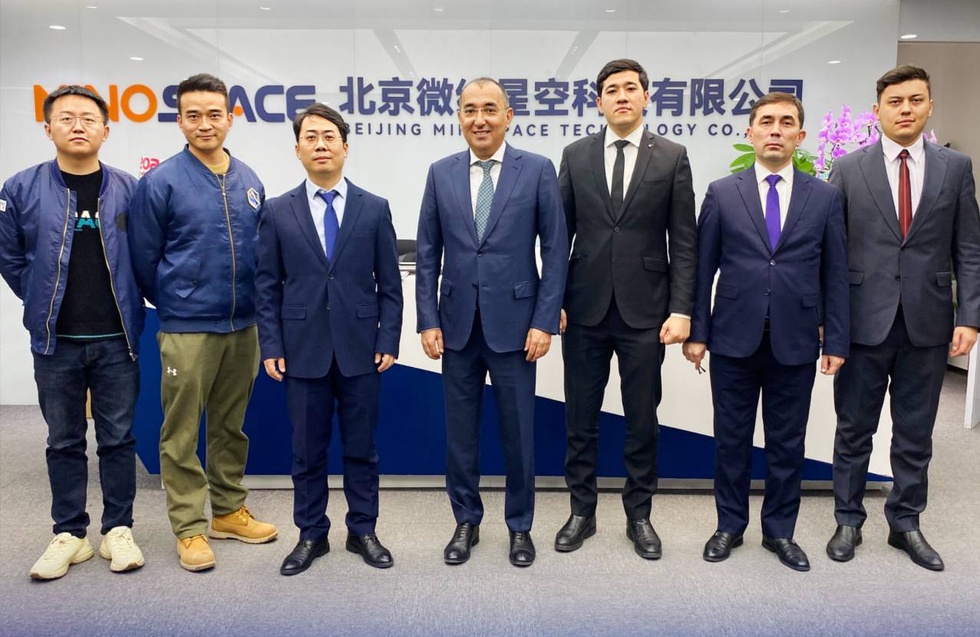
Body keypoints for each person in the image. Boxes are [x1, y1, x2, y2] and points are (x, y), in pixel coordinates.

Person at [683, 92, 849, 572]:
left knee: (787, 443)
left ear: (800, 136)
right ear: (750, 133)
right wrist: (698, 332)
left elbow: (836, 274)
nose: (776, 130)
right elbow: (702, 269)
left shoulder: (824, 197)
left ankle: (780, 531)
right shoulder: (722, 193)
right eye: (767, 122)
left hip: (796, 339)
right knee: (731, 439)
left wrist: (836, 340)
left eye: (786, 123)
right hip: (733, 337)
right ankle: (729, 525)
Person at [827, 65, 980, 571]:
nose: (906, 109)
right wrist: (830, 322)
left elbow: (969, 248)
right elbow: (831, 252)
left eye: (916, 100)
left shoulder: (956, 168)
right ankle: (848, 520)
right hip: (862, 322)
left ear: (930, 106)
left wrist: (970, 316)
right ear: (877, 111)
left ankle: (906, 522)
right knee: (854, 429)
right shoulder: (848, 168)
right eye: (895, 102)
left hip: (928, 323)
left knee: (915, 432)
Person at [415, 77, 568, 567]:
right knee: (460, 436)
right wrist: (427, 319)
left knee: (518, 435)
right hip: (457, 326)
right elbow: (427, 252)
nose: (479, 119)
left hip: (518, 327)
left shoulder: (537, 169)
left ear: (508, 116)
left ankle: (520, 527)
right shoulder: (440, 172)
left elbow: (556, 250)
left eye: (488, 109)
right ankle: (466, 521)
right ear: (459, 117)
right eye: (469, 110)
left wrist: (545, 320)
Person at [128, 73, 276, 572]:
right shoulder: (161, 182)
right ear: (180, 121)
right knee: (181, 431)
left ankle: (229, 511)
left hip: (244, 325)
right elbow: (144, 259)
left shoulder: (249, 179)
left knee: (231, 426)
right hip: (188, 327)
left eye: (214, 114)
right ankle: (189, 526)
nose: (205, 124)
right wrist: (179, 300)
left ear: (230, 118)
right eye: (193, 115)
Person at [0, 85, 146, 580]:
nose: (78, 125)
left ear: (106, 130)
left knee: (118, 438)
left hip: (117, 338)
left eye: (88, 118)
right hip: (55, 340)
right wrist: (39, 297)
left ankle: (118, 530)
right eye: (66, 118)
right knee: (63, 439)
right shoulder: (20, 188)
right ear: (48, 129)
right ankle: (70, 533)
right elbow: (10, 256)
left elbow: (144, 255)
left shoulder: (129, 189)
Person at [555, 59, 697, 559]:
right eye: (611, 90)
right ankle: (582, 511)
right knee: (580, 420)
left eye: (630, 88)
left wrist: (682, 308)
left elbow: (684, 241)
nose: (621, 96)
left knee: (642, 420)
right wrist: (553, 302)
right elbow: (558, 237)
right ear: (599, 102)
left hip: (647, 312)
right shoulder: (575, 155)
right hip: (584, 308)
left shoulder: (672, 157)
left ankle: (639, 516)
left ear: (645, 97)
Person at [255, 103, 403, 575]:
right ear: (298, 149)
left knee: (362, 449)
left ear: (345, 147)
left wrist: (388, 338)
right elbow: (266, 285)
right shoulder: (277, 211)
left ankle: (363, 530)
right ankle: (311, 534)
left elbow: (390, 284)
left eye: (329, 137)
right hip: (302, 350)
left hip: (362, 349)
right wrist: (272, 345)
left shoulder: (373, 207)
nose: (320, 145)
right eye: (311, 137)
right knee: (307, 451)